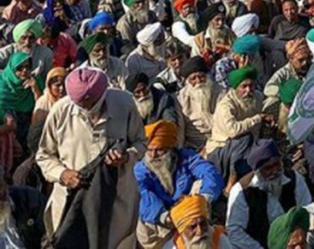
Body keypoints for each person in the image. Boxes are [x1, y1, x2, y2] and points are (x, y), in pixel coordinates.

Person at [36, 67, 145, 248]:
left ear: (103, 94)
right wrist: (62, 174)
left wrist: (126, 157)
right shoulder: (60, 111)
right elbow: (44, 155)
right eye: (81, 104)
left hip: (117, 199)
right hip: (72, 201)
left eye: (91, 103)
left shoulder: (124, 103)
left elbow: (141, 143)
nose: (87, 107)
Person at [134, 121, 224, 248]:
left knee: (200, 185)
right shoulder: (141, 169)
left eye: (159, 150)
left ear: (171, 149)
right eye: (149, 150)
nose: (153, 156)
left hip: (189, 218)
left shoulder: (186, 158)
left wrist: (204, 198)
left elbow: (209, 172)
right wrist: (165, 216)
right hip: (161, 223)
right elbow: (143, 193)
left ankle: (199, 233)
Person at [226, 139, 311, 249]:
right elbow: (234, 232)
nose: (275, 171)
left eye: (276, 164)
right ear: (257, 170)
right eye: (268, 168)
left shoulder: (294, 178)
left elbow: (307, 209)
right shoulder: (242, 190)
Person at [166, 194, 232, 249]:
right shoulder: (173, 247)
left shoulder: (219, 239)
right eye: (193, 227)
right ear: (182, 231)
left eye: (202, 223)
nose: (200, 231)